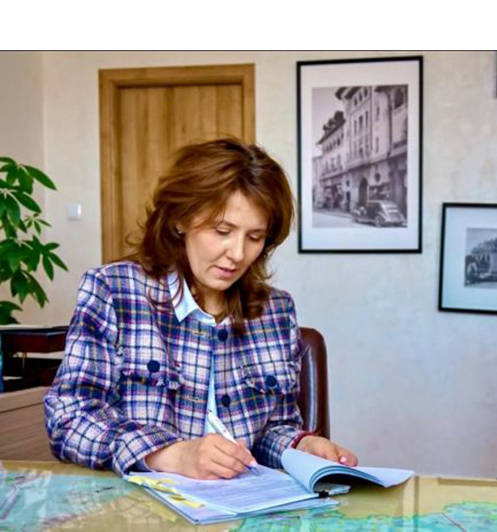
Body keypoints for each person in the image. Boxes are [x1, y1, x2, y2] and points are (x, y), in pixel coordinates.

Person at [45, 138, 357, 480]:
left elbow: (271, 431)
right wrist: (170, 454)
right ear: (181, 220)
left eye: (254, 237)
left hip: (242, 504)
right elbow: (69, 420)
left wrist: (301, 445)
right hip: (140, 507)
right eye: (222, 230)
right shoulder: (114, 291)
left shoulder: (276, 311)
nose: (237, 254)